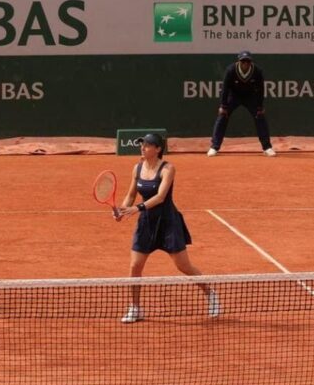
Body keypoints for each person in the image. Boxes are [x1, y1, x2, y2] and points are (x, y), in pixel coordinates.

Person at [116, 133, 220, 323]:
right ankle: (135, 308)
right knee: (135, 266)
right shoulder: (137, 168)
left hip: (168, 223)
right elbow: (131, 195)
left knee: (183, 266)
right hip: (146, 224)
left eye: (147, 145)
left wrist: (137, 208)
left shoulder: (168, 168)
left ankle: (210, 293)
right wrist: (123, 210)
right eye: (142, 144)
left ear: (157, 149)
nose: (142, 148)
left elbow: (160, 197)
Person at [207, 50, 276, 157]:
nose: (245, 64)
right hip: (234, 96)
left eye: (248, 61)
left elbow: (260, 90)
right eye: (243, 61)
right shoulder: (231, 70)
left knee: (260, 117)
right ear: (239, 61)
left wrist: (260, 106)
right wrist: (223, 106)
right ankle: (214, 147)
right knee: (222, 116)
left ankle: (267, 147)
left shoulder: (257, 71)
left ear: (251, 62)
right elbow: (225, 89)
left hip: (250, 97)